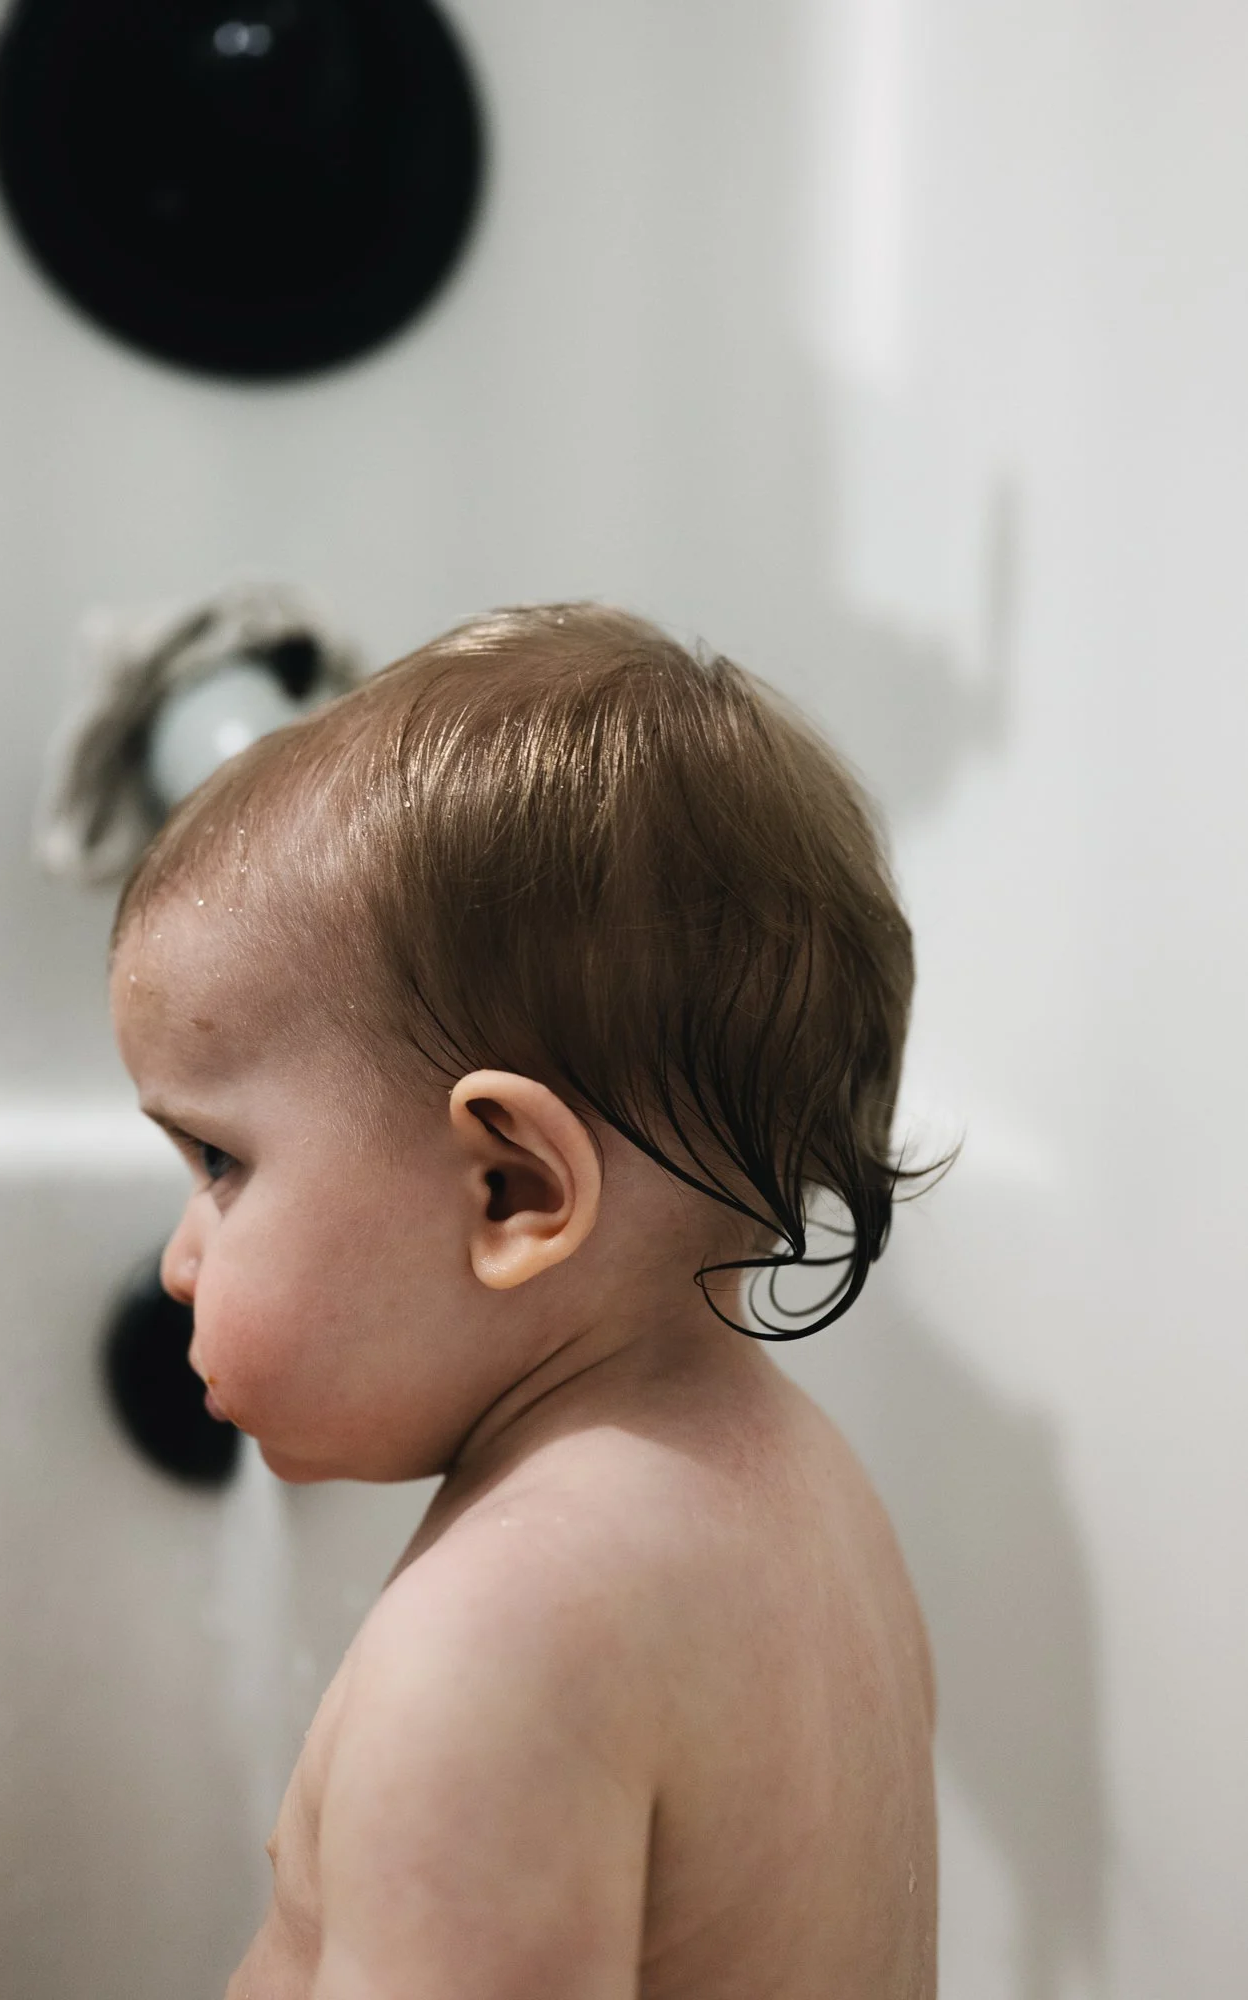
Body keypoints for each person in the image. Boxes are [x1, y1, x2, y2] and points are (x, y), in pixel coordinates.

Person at [109, 603, 938, 1999]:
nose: (181, 1260)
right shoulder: (806, 1493)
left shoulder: (496, 1648)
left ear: (510, 1193)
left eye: (218, 1163)